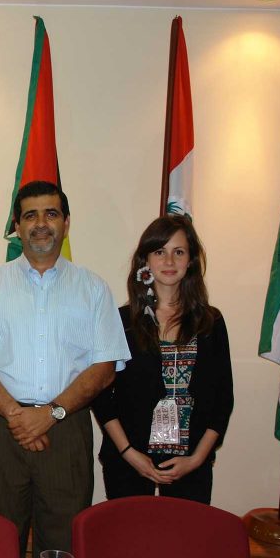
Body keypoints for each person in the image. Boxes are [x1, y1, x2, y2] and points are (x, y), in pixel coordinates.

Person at [0, 181, 129, 558]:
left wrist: (50, 414)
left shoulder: (93, 289)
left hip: (66, 429)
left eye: (51, 214)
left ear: (66, 223)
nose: (41, 224)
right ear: (17, 226)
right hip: (2, 427)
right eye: (30, 215)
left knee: (62, 546)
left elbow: (103, 369)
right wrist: (18, 415)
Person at [91, 215, 233, 504]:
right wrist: (129, 453)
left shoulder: (211, 322)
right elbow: (102, 396)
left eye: (178, 252)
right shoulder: (120, 322)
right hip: (129, 463)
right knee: (131, 545)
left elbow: (223, 398)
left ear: (190, 260)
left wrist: (196, 459)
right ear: (146, 260)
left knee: (182, 546)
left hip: (191, 464)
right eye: (160, 252)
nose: (169, 261)